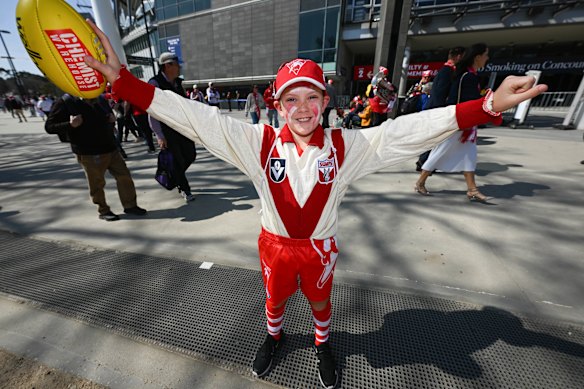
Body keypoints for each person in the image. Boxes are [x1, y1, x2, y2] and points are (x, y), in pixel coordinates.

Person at [84, 20, 546, 388]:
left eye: (311, 97)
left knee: (321, 301)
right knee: (275, 299)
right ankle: (274, 337)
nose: (302, 108)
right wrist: (122, 82)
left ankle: (324, 344)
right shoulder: (255, 142)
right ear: (278, 105)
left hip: (320, 248)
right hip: (274, 245)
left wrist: (485, 106)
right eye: (292, 99)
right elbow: (194, 117)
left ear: (325, 101)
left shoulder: (347, 147)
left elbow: (406, 132)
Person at [45, 94, 147, 221]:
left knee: (124, 176)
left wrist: (111, 119)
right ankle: (103, 210)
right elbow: (49, 127)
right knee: (96, 183)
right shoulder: (66, 101)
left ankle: (130, 205)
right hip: (88, 151)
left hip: (110, 147)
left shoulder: (100, 98)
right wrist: (70, 124)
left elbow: (109, 114)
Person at [415, 43, 491, 202]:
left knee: (470, 155)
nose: (487, 58)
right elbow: (445, 97)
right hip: (458, 122)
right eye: (486, 55)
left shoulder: (466, 74)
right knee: (439, 151)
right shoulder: (463, 75)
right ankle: (420, 181)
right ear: (477, 57)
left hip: (464, 122)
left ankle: (472, 189)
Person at [148, 52, 197, 203]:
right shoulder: (154, 84)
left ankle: (175, 177)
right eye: (176, 64)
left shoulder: (178, 83)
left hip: (182, 128)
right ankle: (184, 188)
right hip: (167, 129)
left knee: (190, 155)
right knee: (176, 160)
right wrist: (159, 135)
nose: (179, 67)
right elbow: (152, 111)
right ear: (167, 66)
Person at [415, 46, 465, 171]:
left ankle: (425, 163)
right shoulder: (447, 71)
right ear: (458, 56)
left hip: (436, 110)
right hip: (437, 111)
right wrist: (442, 113)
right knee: (435, 139)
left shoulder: (446, 70)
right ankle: (423, 163)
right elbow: (439, 94)